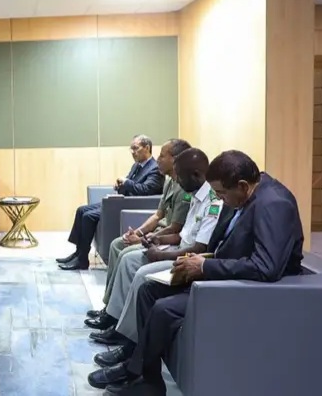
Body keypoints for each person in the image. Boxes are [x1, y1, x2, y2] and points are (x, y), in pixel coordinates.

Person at [101, 150, 304, 395]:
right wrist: (198, 262)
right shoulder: (244, 195)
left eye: (221, 193)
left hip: (245, 290)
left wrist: (205, 266)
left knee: (163, 309)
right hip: (221, 275)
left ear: (242, 186)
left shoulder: (273, 204)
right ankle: (148, 378)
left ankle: (138, 374)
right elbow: (223, 244)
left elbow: (266, 267)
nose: (218, 198)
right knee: (148, 290)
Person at [85, 139, 192, 325]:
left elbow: (175, 228)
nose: (158, 159)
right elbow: (158, 215)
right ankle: (109, 306)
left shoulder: (185, 189)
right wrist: (138, 232)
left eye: (162, 156)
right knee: (117, 244)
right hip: (159, 233)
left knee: (126, 255)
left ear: (175, 159)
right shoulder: (170, 182)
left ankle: (115, 316)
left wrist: (144, 239)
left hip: (168, 238)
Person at [58, 134, 164, 271]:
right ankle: (78, 252)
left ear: (147, 148)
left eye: (135, 148)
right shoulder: (137, 166)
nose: (133, 152)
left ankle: (82, 259)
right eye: (131, 149)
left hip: (130, 205)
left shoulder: (154, 169)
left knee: (88, 216)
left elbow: (146, 189)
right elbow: (130, 184)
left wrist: (126, 182)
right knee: (81, 210)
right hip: (121, 201)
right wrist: (120, 185)